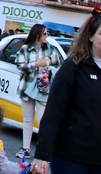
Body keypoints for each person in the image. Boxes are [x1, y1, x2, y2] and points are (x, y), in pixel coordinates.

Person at [32, 9, 101, 174]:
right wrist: (42, 154)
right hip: (71, 159)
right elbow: (54, 112)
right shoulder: (73, 67)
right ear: (91, 36)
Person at [14, 23, 63, 160]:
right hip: (27, 87)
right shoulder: (25, 49)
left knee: (44, 120)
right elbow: (19, 66)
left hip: (44, 88)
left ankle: (43, 150)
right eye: (45, 33)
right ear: (37, 35)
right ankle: (25, 148)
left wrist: (48, 68)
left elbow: (58, 67)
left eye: (47, 33)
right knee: (28, 119)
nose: (46, 36)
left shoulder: (51, 50)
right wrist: (36, 65)